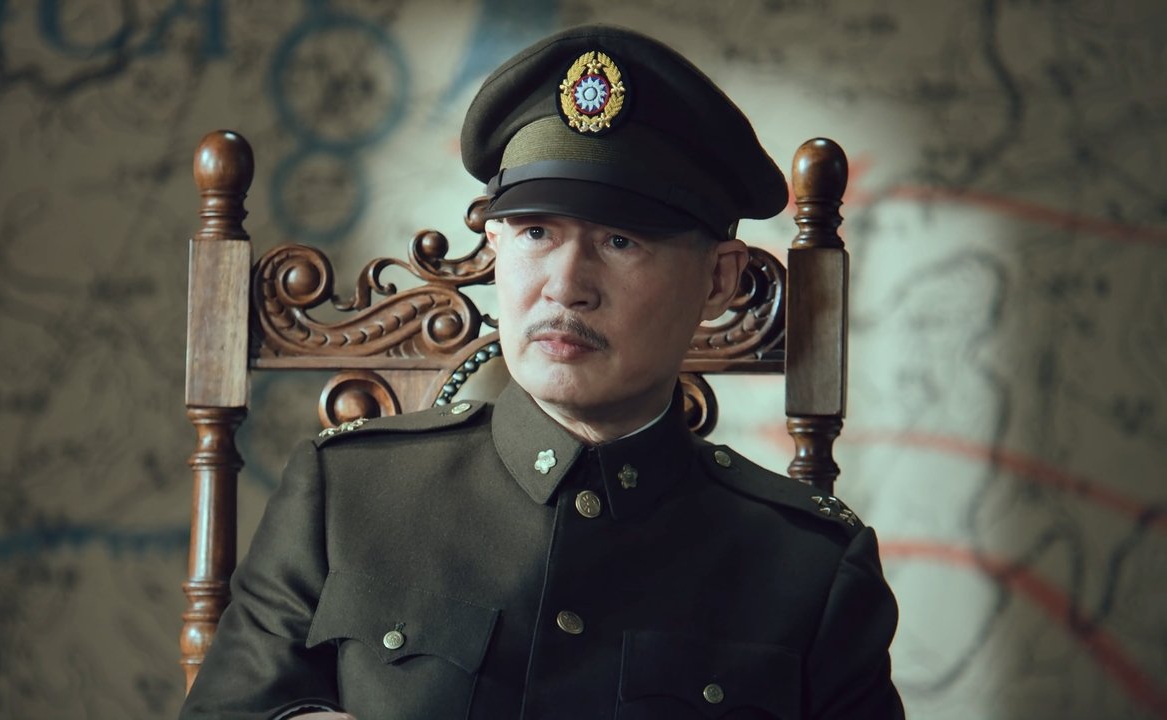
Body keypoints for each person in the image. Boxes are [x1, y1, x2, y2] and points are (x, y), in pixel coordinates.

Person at [180, 23, 904, 720]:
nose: (565, 286)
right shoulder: (344, 493)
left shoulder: (809, 568)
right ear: (495, 246)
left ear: (719, 280)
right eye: (535, 232)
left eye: (620, 241)